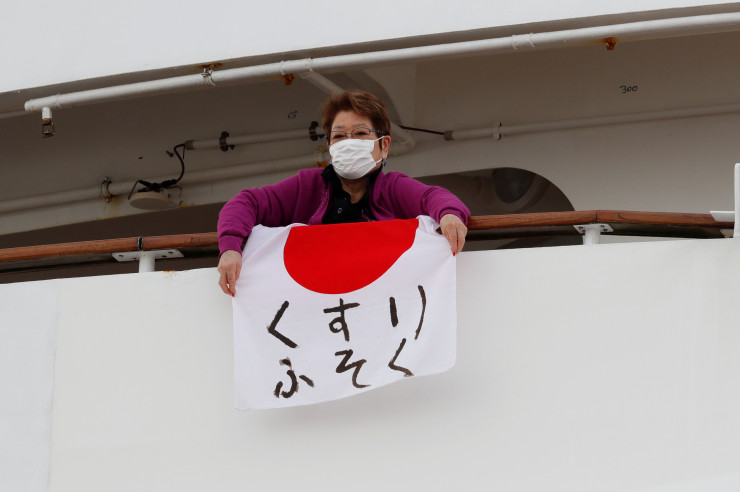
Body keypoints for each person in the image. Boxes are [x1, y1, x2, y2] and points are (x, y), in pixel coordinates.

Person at [217, 90, 470, 296]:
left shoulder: (393, 188)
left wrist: (448, 215)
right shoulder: (307, 186)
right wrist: (230, 248)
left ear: (384, 145)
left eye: (360, 133)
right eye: (339, 136)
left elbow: (433, 197)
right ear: (329, 145)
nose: (348, 143)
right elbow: (246, 203)